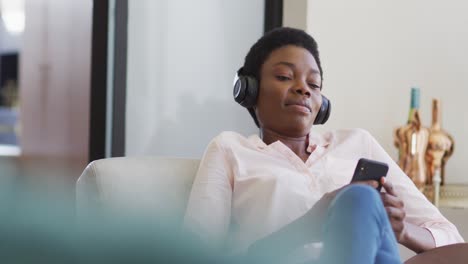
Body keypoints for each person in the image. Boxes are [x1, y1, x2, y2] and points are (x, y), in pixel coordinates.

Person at [183, 27, 464, 263]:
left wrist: (401, 230)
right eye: (284, 76)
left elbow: (450, 238)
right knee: (359, 197)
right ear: (249, 90)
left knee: (360, 199)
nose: (304, 88)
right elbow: (194, 255)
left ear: (322, 105)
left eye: (314, 84)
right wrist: (307, 226)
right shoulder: (230, 150)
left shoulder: (358, 143)